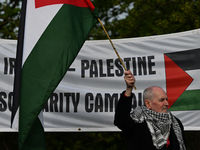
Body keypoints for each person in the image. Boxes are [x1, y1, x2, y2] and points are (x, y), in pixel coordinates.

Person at [114, 70, 186, 150]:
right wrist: (129, 89)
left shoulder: (176, 123)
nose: (167, 103)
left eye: (166, 99)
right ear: (148, 104)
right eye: (162, 100)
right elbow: (121, 120)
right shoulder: (138, 122)